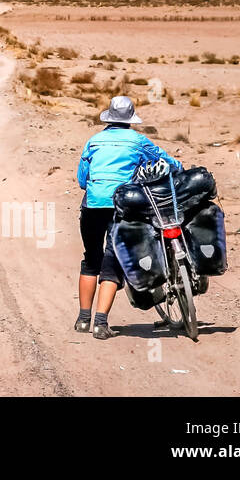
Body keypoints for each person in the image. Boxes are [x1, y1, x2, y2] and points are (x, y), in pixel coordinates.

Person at [75, 95, 181, 339]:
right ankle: (101, 323)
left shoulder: (93, 141)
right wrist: (179, 167)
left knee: (91, 258)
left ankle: (83, 319)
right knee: (111, 260)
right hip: (121, 205)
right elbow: (165, 161)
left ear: (109, 117)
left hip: (92, 205)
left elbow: (82, 180)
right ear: (130, 119)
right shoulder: (138, 141)